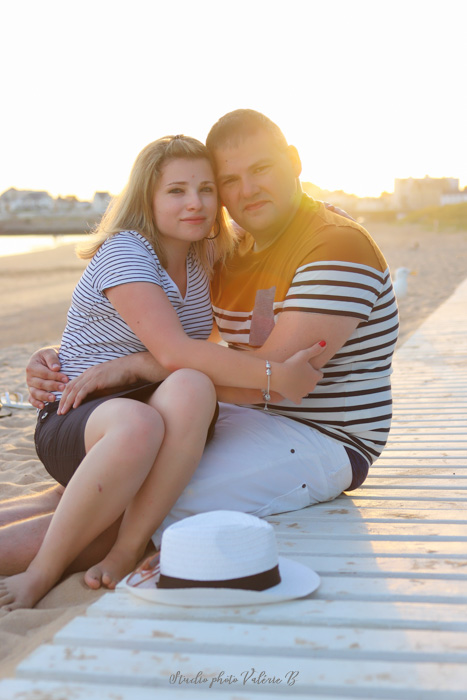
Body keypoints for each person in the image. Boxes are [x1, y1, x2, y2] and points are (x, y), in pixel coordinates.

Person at [6, 109, 397, 586]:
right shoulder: (228, 252)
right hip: (248, 413)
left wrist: (136, 367)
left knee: (128, 508)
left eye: (261, 169)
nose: (246, 190)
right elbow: (146, 322)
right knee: (80, 492)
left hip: (320, 435)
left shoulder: (336, 248)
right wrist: (60, 356)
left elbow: (270, 379)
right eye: (229, 180)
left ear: (294, 162)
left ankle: (68, 561)